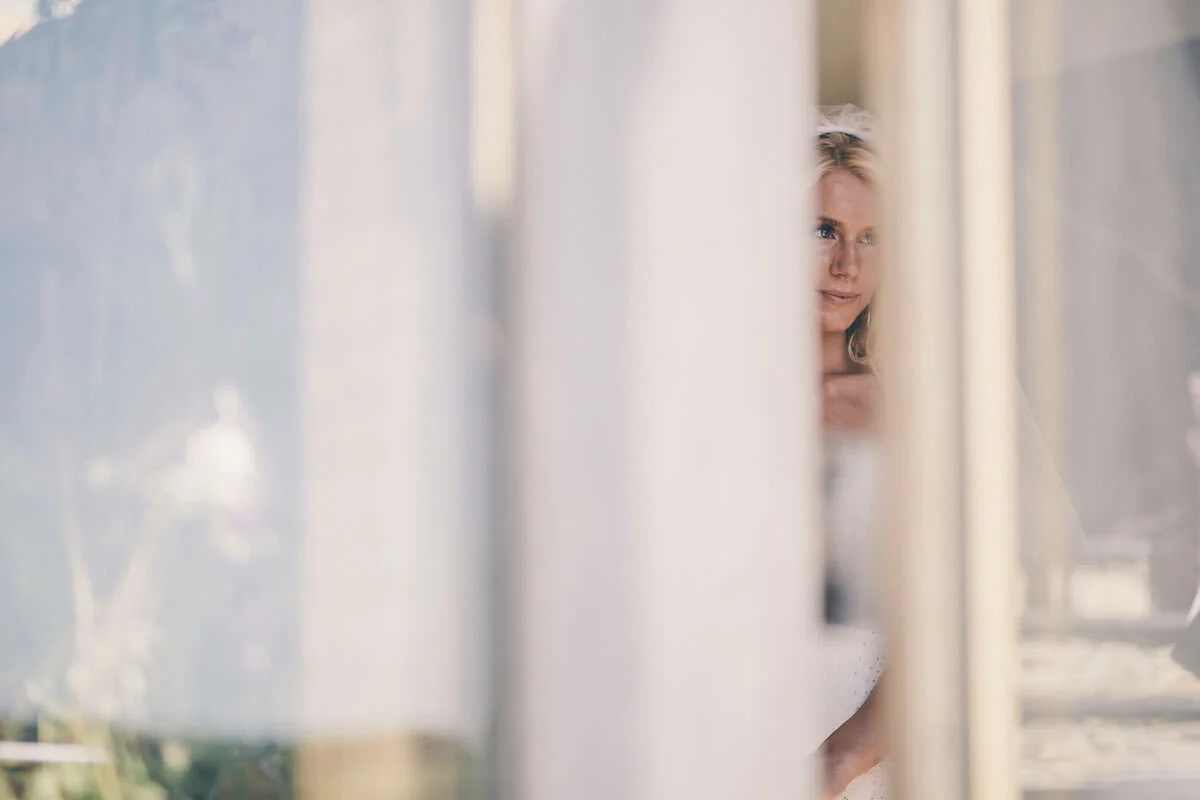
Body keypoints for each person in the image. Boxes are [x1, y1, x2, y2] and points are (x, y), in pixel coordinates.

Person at [809, 107, 888, 800]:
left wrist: (842, 758)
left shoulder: (907, 414)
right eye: (823, 230)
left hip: (858, 751)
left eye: (872, 238)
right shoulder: (701, 401)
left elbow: (965, 607)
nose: (847, 266)